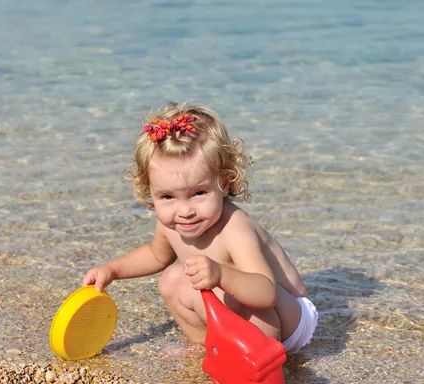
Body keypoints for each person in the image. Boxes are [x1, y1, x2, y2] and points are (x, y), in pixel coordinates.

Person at [82, 102, 318, 353]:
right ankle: (204, 347)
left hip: (289, 317)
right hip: (246, 302)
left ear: (224, 184)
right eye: (168, 197)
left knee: (254, 307)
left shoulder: (234, 226)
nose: (184, 211)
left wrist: (221, 275)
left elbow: (265, 293)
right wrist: (112, 270)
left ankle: (261, 359)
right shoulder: (171, 223)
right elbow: (155, 256)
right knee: (172, 280)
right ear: (150, 191)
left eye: (198, 193)